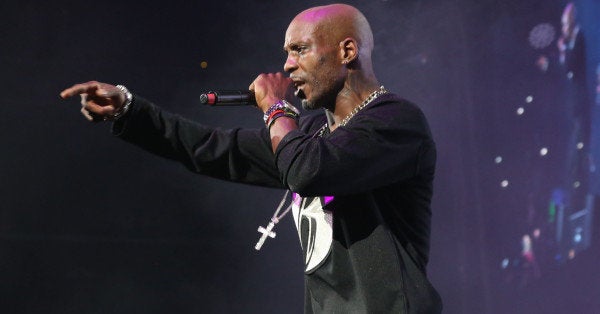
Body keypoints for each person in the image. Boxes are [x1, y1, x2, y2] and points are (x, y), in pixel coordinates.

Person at [60, 3, 442, 313]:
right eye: (286, 53)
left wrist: (276, 108)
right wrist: (129, 109)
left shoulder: (397, 123)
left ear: (347, 51)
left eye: (300, 49)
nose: (288, 65)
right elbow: (212, 148)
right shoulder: (311, 134)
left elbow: (308, 171)